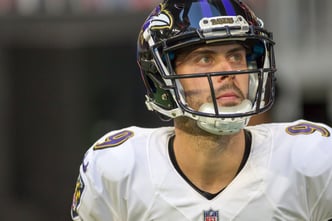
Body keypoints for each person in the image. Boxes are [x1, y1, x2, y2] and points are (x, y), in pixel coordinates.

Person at [70, 0, 332, 220]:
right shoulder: (117, 170)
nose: (229, 72)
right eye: (205, 58)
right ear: (162, 78)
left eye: (235, 56)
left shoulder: (312, 160)